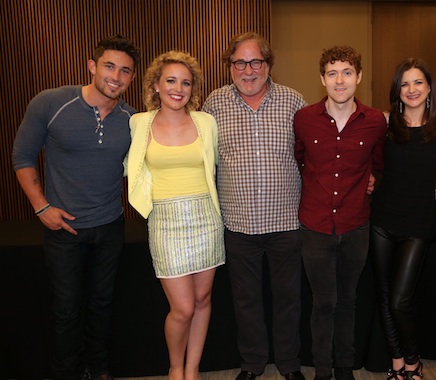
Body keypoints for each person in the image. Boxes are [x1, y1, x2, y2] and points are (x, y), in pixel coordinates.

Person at [11, 35, 139, 380]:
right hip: (63, 229)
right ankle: (66, 373)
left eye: (125, 71)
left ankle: (98, 369)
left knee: (102, 305)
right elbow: (22, 156)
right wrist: (41, 207)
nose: (116, 76)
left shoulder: (134, 120)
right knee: (65, 311)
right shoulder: (51, 103)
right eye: (109, 66)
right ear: (92, 66)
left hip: (110, 226)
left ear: (131, 77)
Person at [201, 32, 307, 380]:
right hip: (238, 224)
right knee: (245, 302)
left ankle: (290, 365)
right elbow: (201, 160)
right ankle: (252, 364)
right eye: (239, 63)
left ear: (268, 64)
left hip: (285, 221)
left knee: (288, 300)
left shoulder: (294, 101)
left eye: (255, 62)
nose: (248, 70)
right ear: (229, 66)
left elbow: (314, 155)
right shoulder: (213, 105)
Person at [127, 51, 225, 380]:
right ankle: (175, 367)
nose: (178, 88)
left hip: (205, 217)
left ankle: (193, 369)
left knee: (202, 298)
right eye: (170, 80)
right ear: (155, 84)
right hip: (165, 221)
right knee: (182, 308)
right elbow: (129, 167)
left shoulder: (205, 122)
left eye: (185, 82)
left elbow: (221, 167)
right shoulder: (139, 123)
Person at [293, 46, 387, 380]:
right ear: (322, 79)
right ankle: (322, 370)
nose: (340, 80)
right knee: (323, 303)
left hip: (355, 225)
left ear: (358, 77)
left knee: (348, 300)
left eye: (347, 72)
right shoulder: (304, 119)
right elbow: (300, 159)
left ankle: (344, 368)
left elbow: (379, 166)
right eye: (332, 73)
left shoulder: (375, 121)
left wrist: (372, 181)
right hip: (315, 226)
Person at [368, 58, 436, 380]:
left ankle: (414, 362)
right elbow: (365, 159)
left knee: (401, 299)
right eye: (404, 84)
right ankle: (397, 362)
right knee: (384, 295)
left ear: (429, 87)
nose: (411, 89)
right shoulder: (385, 122)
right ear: (396, 90)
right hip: (382, 219)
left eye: (418, 82)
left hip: (418, 223)